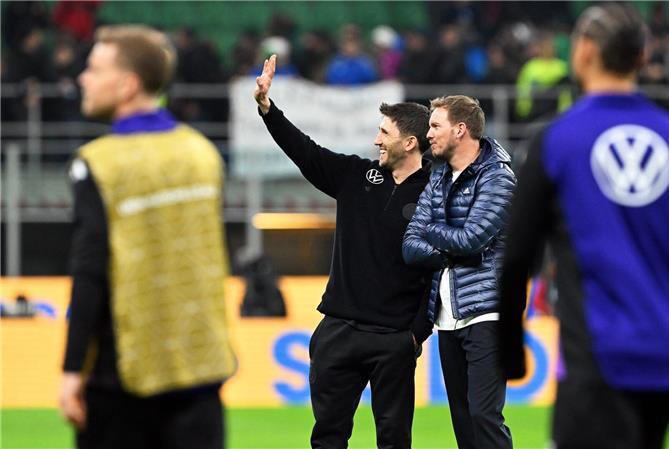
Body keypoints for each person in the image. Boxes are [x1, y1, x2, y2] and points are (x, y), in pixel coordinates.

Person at [499, 4, 669, 449]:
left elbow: (517, 257)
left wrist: (509, 352)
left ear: (583, 51)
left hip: (596, 361)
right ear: (642, 58)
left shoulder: (557, 140)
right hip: (663, 361)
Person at [59, 25, 235, 449]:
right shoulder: (201, 152)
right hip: (203, 372)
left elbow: (90, 273)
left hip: (123, 382)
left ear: (128, 84)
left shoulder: (98, 163)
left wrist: (71, 370)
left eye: (94, 68)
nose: (83, 77)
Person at [254, 55, 433, 449]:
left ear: (410, 142)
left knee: (394, 440)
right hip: (339, 330)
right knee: (328, 438)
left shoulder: (436, 194)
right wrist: (269, 110)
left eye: (384, 132)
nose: (376, 140)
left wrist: (416, 333)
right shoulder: (357, 176)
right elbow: (306, 152)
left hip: (394, 338)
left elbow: (439, 272)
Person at [402, 95, 515, 449]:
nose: (428, 133)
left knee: (484, 416)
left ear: (460, 129)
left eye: (435, 126)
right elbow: (410, 244)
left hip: (488, 312)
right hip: (448, 318)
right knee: (464, 423)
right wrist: (446, 240)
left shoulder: (498, 176)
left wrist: (433, 230)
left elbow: (471, 239)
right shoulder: (438, 176)